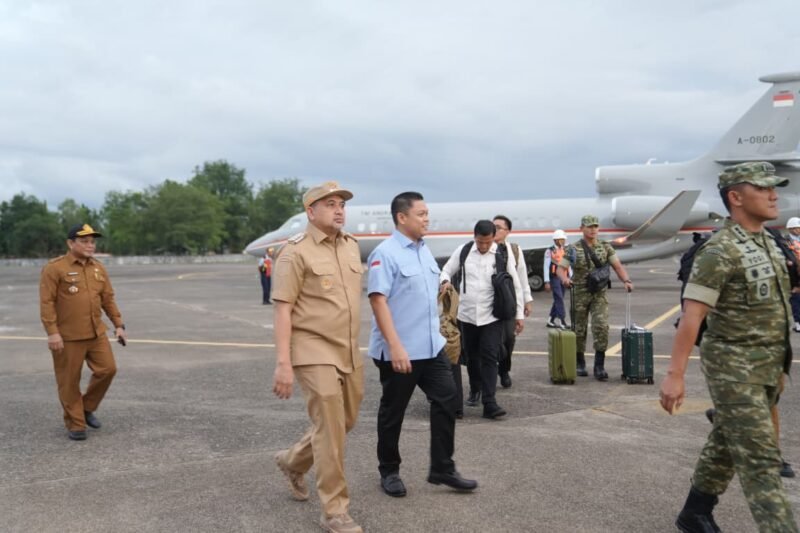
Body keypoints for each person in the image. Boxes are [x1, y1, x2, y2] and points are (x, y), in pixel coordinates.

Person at [659, 161, 797, 532]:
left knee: (725, 443)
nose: (774, 194)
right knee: (761, 462)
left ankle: (694, 513)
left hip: (768, 366)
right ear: (736, 197)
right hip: (734, 369)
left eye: (774, 187)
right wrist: (675, 376)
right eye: (764, 188)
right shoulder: (719, 251)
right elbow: (692, 316)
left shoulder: (769, 241)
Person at [368, 191, 478, 499]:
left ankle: (442, 467)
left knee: (447, 399)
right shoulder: (385, 253)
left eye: (427, 213)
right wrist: (395, 347)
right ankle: (389, 470)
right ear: (402, 217)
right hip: (399, 351)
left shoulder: (424, 251)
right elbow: (378, 301)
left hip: (431, 348)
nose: (426, 218)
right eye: (421, 214)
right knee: (394, 411)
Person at [271, 181, 365, 533]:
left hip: (348, 349)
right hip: (312, 349)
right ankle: (335, 511)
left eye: (341, 203)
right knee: (330, 429)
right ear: (311, 212)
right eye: (329, 204)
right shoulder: (294, 253)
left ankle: (293, 461)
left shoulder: (351, 247)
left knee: (345, 423)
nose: (339, 209)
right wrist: (284, 363)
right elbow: (283, 310)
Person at [39, 223, 127, 441]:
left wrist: (118, 324)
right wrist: (52, 332)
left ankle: (86, 407)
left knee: (108, 370)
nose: (90, 245)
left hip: (96, 333)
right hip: (67, 336)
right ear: (71, 243)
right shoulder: (55, 268)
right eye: (84, 241)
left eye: (92, 241)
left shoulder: (98, 268)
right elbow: (47, 302)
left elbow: (108, 298)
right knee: (69, 381)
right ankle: (76, 423)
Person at [440, 220, 525, 419]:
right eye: (480, 242)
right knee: (471, 356)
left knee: (489, 356)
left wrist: (519, 315)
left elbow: (516, 286)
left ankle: (490, 403)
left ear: (493, 237)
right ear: (474, 237)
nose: (484, 246)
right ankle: (475, 389)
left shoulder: (502, 255)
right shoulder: (464, 251)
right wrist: (444, 282)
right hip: (466, 315)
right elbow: (446, 270)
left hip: (492, 315)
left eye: (487, 242)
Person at [557, 215, 633, 379]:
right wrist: (565, 279)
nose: (593, 229)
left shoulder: (606, 247)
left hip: (599, 293)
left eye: (595, 226)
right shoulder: (573, 249)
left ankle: (599, 366)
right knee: (578, 329)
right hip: (579, 293)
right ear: (581, 228)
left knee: (601, 326)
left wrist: (626, 280)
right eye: (589, 226)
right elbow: (561, 269)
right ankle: (580, 363)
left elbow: (617, 266)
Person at [492, 215, 533, 388]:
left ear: (508, 231)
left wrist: (526, 301)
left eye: (499, 227)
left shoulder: (514, 250)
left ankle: (504, 369)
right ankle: (490, 373)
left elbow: (522, 278)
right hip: (490, 302)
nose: (495, 230)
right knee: (490, 341)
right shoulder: (483, 248)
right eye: (493, 226)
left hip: (509, 302)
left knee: (509, 338)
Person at [543, 229, 569, 329]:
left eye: (564, 239)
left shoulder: (565, 250)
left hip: (564, 277)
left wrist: (570, 277)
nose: (563, 241)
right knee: (559, 298)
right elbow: (546, 266)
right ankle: (562, 321)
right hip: (554, 278)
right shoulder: (549, 251)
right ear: (556, 240)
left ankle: (551, 319)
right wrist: (546, 281)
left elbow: (568, 265)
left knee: (559, 298)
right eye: (561, 239)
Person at [785, 216, 800, 332]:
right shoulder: (786, 241)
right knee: (796, 297)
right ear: (790, 229)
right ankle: (797, 322)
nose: (798, 230)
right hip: (793, 273)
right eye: (796, 228)